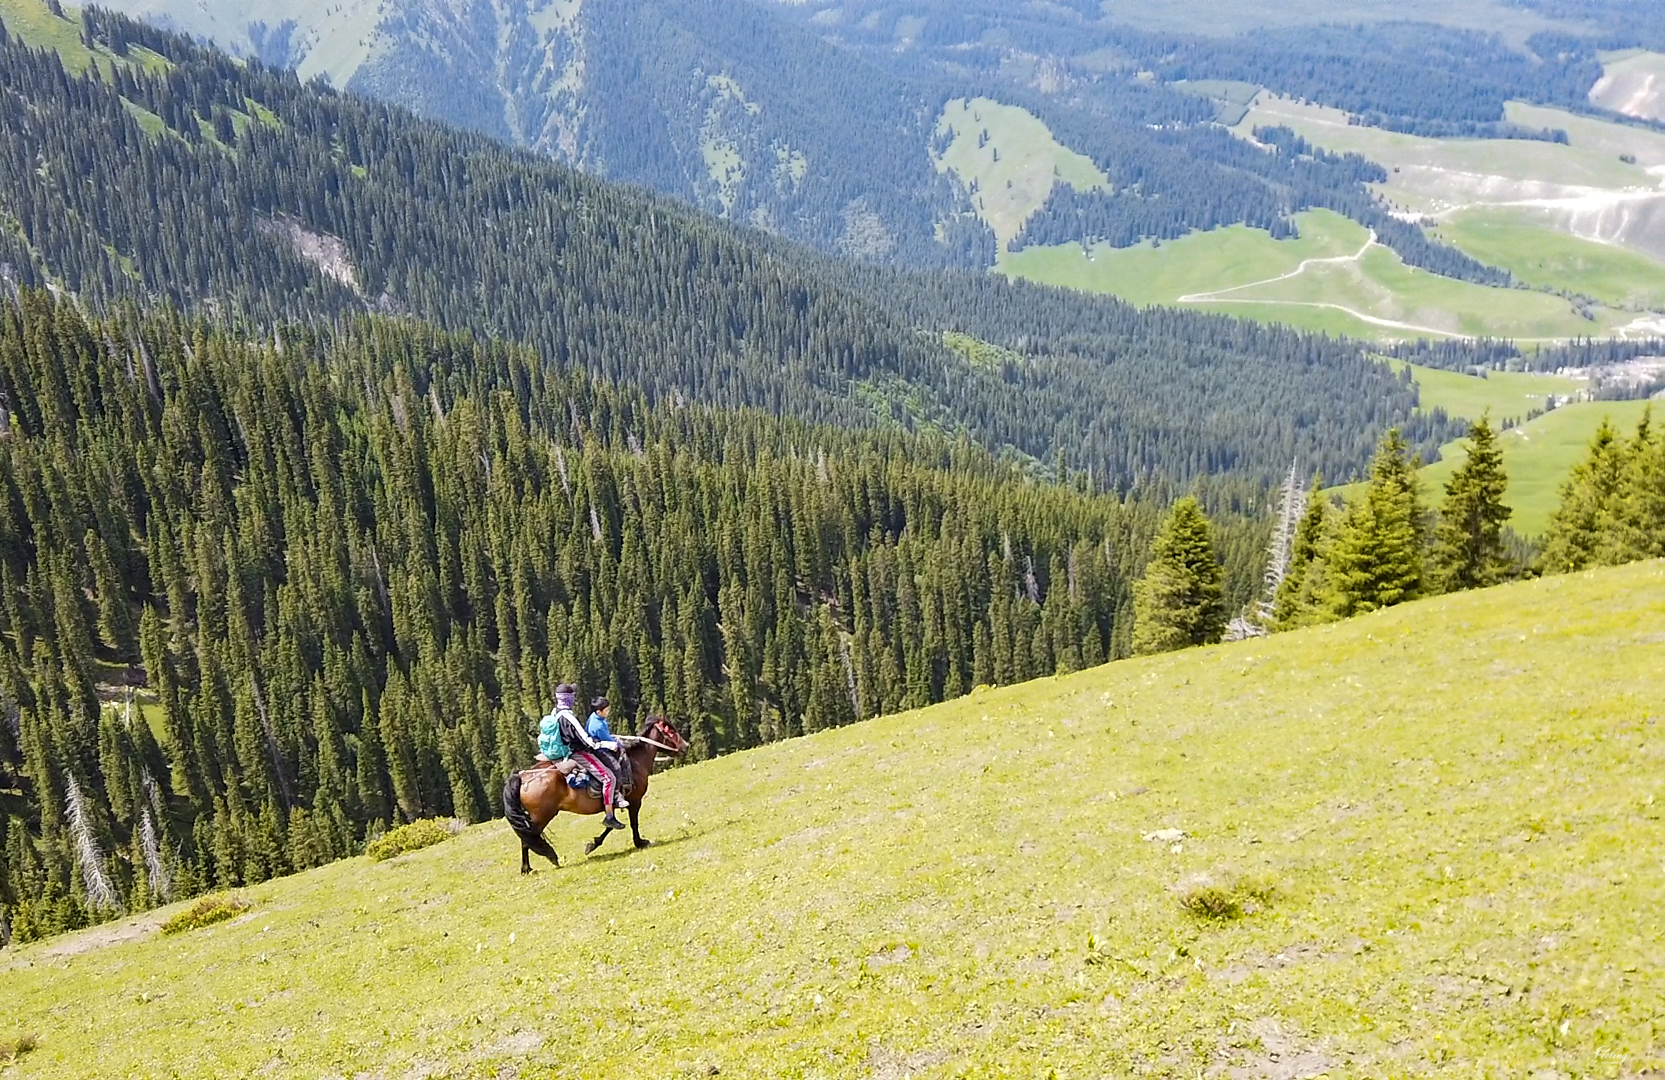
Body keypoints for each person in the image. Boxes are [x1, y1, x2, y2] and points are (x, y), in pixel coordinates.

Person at [565, 694, 628, 830]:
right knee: (615, 768)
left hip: (601, 743)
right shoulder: (597, 725)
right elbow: (608, 741)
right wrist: (619, 743)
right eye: (607, 710)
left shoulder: (597, 718)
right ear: (599, 711)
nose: (608, 712)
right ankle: (616, 796)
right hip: (600, 749)